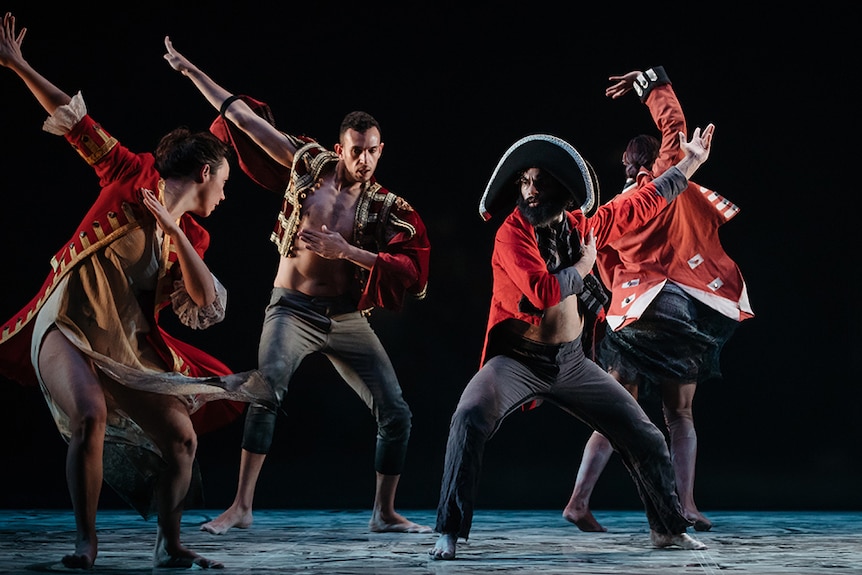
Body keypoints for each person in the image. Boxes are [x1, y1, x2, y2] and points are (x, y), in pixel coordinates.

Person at [0, 13, 278, 570]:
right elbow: (72, 119)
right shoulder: (129, 172)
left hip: (124, 346)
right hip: (68, 326)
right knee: (89, 416)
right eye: (223, 182)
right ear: (204, 171)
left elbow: (206, 306)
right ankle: (86, 542)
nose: (225, 194)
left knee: (181, 441)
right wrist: (17, 64)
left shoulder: (193, 235)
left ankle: (169, 544)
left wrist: (175, 232)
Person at [162, 37, 432, 536]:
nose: (365, 161)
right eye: (357, 151)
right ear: (339, 148)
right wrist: (188, 70)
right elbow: (242, 117)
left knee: (396, 412)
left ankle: (384, 512)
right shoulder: (306, 163)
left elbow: (411, 266)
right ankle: (241, 506)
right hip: (290, 309)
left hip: (346, 316)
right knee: (266, 394)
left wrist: (347, 252)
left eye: (373, 152)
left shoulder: (388, 205)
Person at [429, 121, 717, 560]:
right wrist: (583, 266)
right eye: (524, 183)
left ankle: (667, 529)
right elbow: (543, 291)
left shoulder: (585, 225)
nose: (529, 192)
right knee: (468, 416)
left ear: (561, 190)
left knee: (646, 436)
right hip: (519, 361)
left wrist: (690, 164)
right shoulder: (512, 233)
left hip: (572, 363)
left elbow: (640, 204)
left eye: (540, 184)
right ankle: (448, 532)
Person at [562, 66, 754, 533]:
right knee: (680, 413)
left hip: (628, 319)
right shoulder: (669, 177)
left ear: (626, 166)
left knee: (616, 415)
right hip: (671, 313)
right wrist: (651, 83)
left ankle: (578, 501)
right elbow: (675, 124)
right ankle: (684, 504)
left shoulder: (612, 210)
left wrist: (604, 306)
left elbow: (592, 266)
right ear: (655, 158)